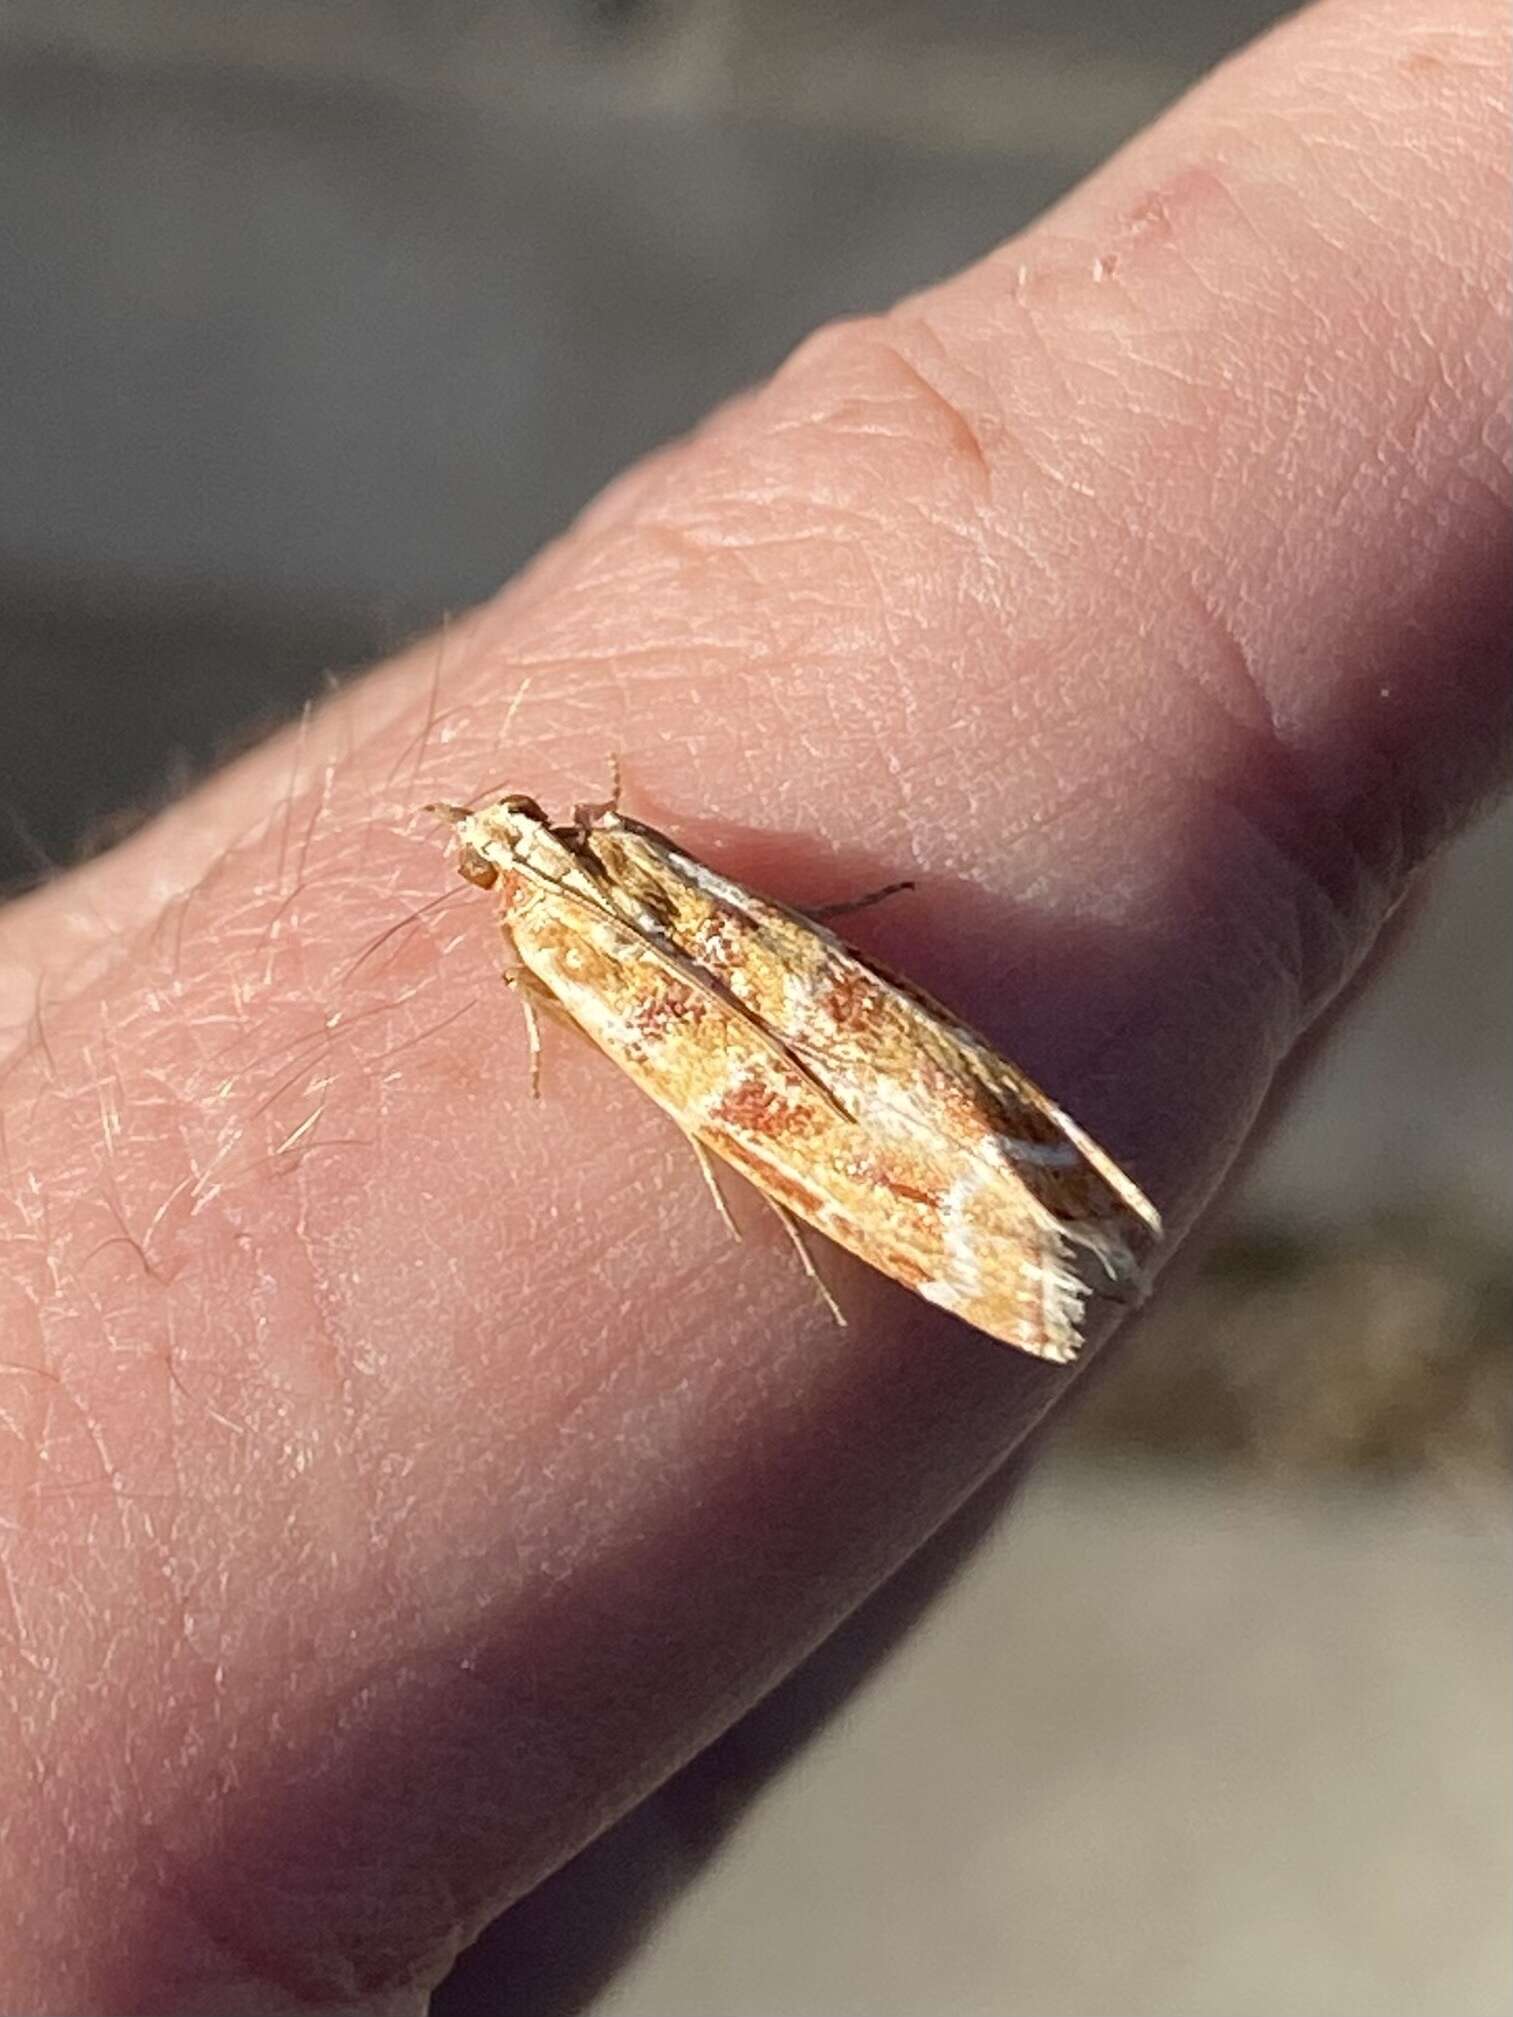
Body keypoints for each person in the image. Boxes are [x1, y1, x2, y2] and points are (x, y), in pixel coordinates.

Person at [1, 0, 1506, 2008]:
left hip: (797, 1056)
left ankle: (1038, 1218)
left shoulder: (570, 920)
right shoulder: (593, 900)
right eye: (507, 839)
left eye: (505, 829)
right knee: (792, 1071)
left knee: (793, 1076)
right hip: (788, 1054)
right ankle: (1034, 1225)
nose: (506, 838)